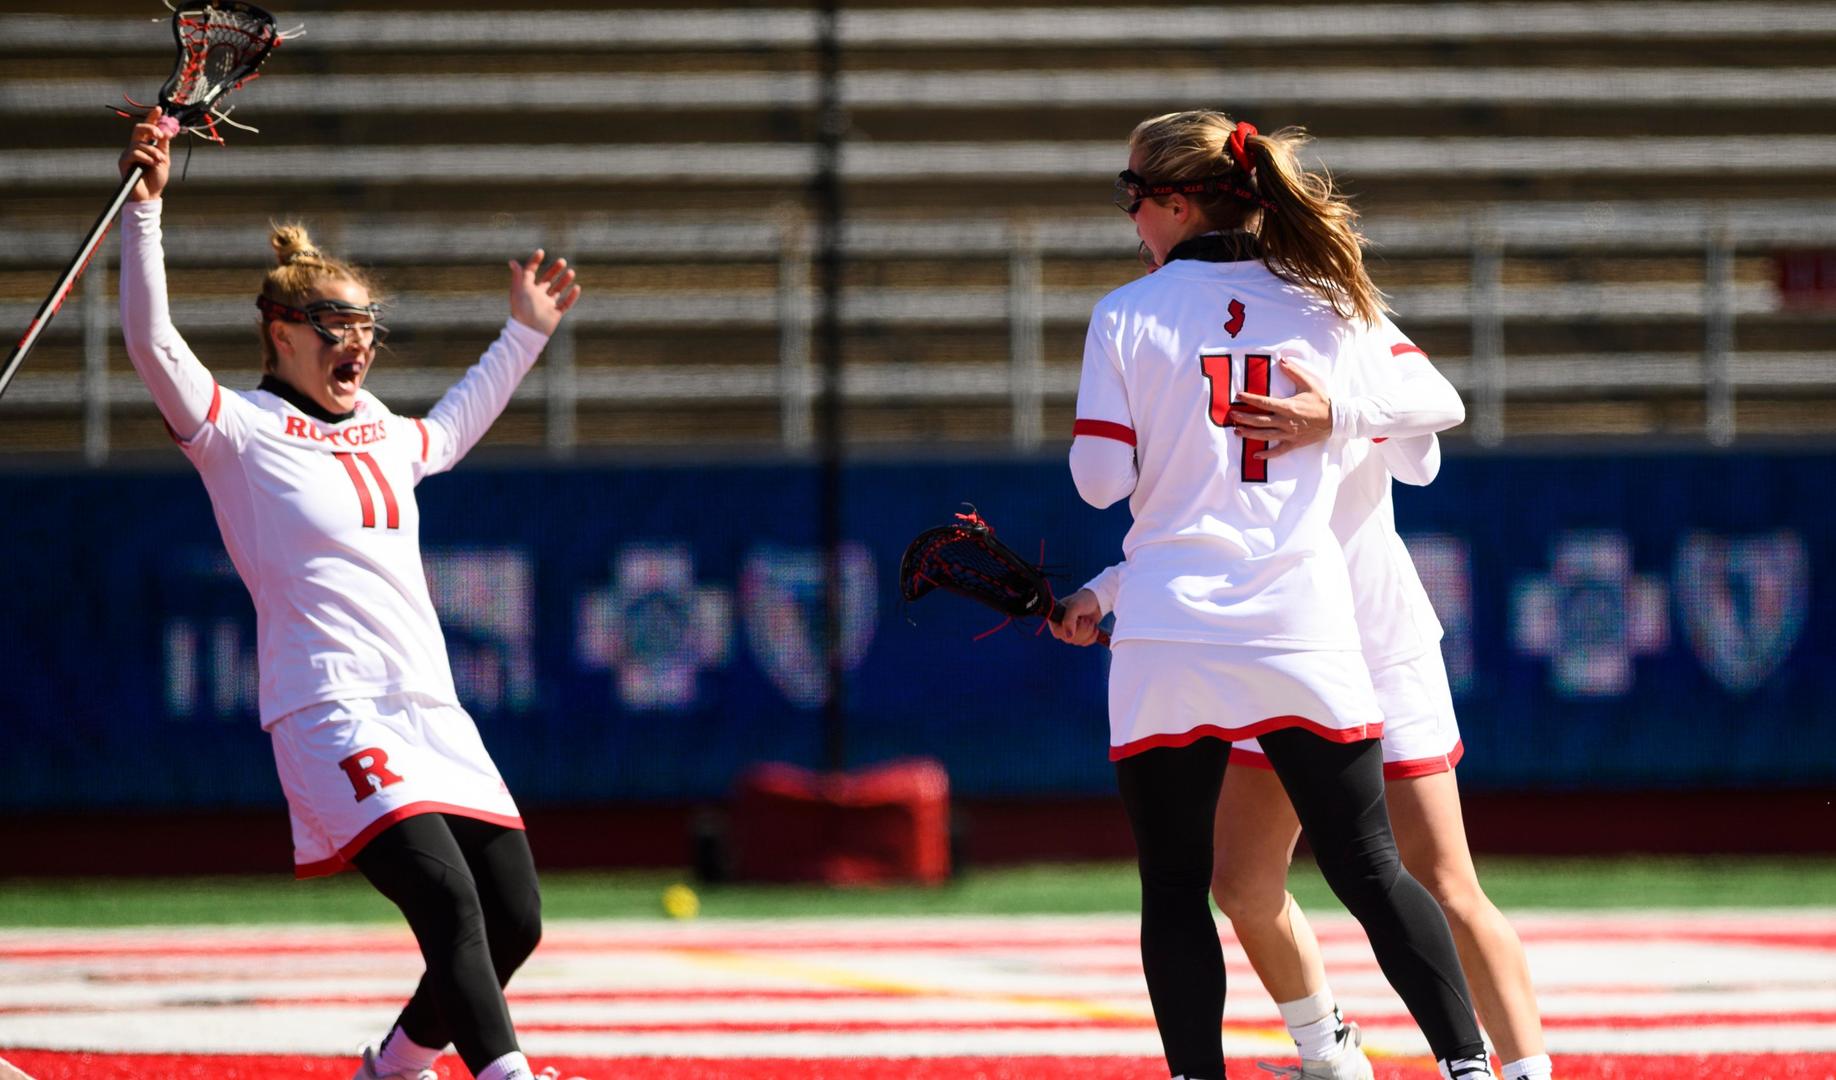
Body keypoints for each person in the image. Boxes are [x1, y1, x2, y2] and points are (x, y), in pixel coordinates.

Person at [118, 108, 582, 1080]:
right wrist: (145, 214)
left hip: (430, 709)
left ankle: (393, 1070)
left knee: (515, 921)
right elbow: (155, 345)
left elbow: (446, 432)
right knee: (447, 904)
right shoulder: (236, 431)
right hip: (332, 708)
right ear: (279, 331)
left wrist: (523, 337)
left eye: (366, 326)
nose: (357, 344)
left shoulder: (376, 424)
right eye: (336, 325)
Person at [1048, 109, 1495, 1080]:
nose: (1131, 221)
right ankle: (1468, 1066)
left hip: (1168, 634)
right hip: (1300, 623)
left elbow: (1098, 481)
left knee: (1174, 885)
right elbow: (1438, 403)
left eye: (1134, 198)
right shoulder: (1326, 300)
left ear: (1175, 200)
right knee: (1371, 868)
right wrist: (1338, 414)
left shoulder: (1127, 313)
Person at [1215, 429, 1553, 1080]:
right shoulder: (1212, 339)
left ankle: (1526, 1072)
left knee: (1444, 880)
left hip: (1375, 642)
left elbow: (1424, 447)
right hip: (1277, 643)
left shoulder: (1353, 338)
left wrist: (1339, 408)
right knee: (1241, 881)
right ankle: (1329, 1055)